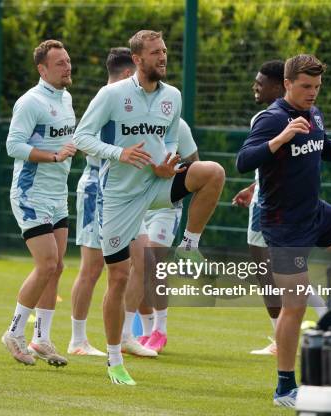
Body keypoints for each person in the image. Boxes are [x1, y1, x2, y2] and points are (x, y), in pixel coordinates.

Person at [74, 30, 225, 385]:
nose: (163, 57)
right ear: (137, 60)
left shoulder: (173, 96)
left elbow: (170, 139)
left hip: (157, 184)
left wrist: (166, 162)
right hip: (119, 196)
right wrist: (119, 153)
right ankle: (114, 360)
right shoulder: (111, 95)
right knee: (120, 277)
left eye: (165, 51)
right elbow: (81, 137)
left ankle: (189, 245)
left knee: (212, 173)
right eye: (156, 53)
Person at [236, 54, 331, 407]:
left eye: (317, 87)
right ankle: (285, 388)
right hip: (283, 224)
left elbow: (322, 146)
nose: (312, 93)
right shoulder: (273, 118)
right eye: (306, 87)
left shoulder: (313, 112)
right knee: (295, 304)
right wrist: (281, 138)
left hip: (315, 212)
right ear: (287, 83)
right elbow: (244, 161)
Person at [232, 60, 327, 356]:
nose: (255, 86)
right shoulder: (286, 116)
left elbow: (253, 159)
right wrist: (253, 187)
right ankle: (322, 319)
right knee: (285, 273)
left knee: (271, 271)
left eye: (261, 82)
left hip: (271, 210)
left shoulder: (270, 117)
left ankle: (291, 334)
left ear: (279, 85)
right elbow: (276, 162)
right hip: (267, 199)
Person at [1, 40, 76, 367]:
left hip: (58, 196)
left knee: (57, 267)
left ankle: (42, 338)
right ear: (42, 69)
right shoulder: (30, 102)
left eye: (68, 61)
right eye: (59, 63)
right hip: (30, 195)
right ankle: (14, 333)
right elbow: (13, 145)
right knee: (46, 264)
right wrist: (54, 156)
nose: (67, 67)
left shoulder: (67, 98)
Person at [69, 47, 135, 357]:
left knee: (125, 268)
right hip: (98, 188)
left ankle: (123, 335)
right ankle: (78, 339)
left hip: (125, 191)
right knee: (92, 268)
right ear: (126, 74)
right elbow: (83, 141)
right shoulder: (108, 99)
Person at [135, 119, 199, 353]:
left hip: (166, 208)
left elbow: (195, 163)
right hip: (136, 203)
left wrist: (177, 179)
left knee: (152, 262)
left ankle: (160, 330)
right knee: (139, 266)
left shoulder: (179, 125)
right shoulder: (131, 120)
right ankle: (144, 331)